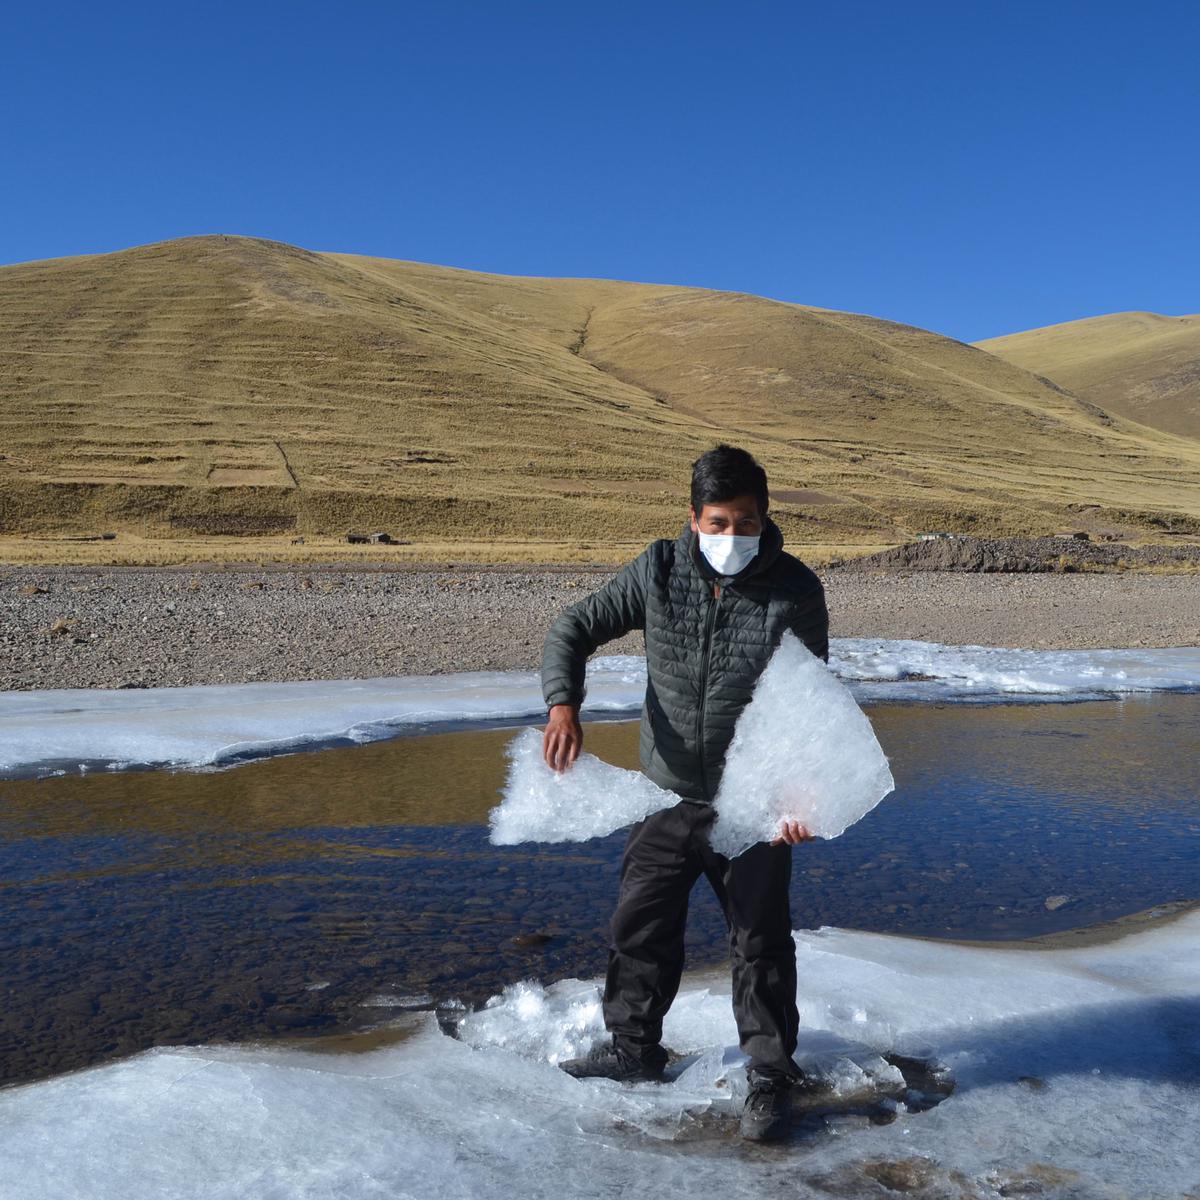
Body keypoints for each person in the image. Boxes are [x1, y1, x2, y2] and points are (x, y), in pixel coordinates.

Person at [539, 443, 830, 1142]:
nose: (734, 536)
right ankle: (633, 1051)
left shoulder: (795, 590)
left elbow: (811, 705)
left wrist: (799, 797)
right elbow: (572, 627)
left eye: (748, 522)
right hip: (665, 795)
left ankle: (769, 1077)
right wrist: (562, 705)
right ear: (694, 518)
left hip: (751, 805)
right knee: (638, 930)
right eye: (720, 522)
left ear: (766, 517)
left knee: (760, 945)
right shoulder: (659, 571)